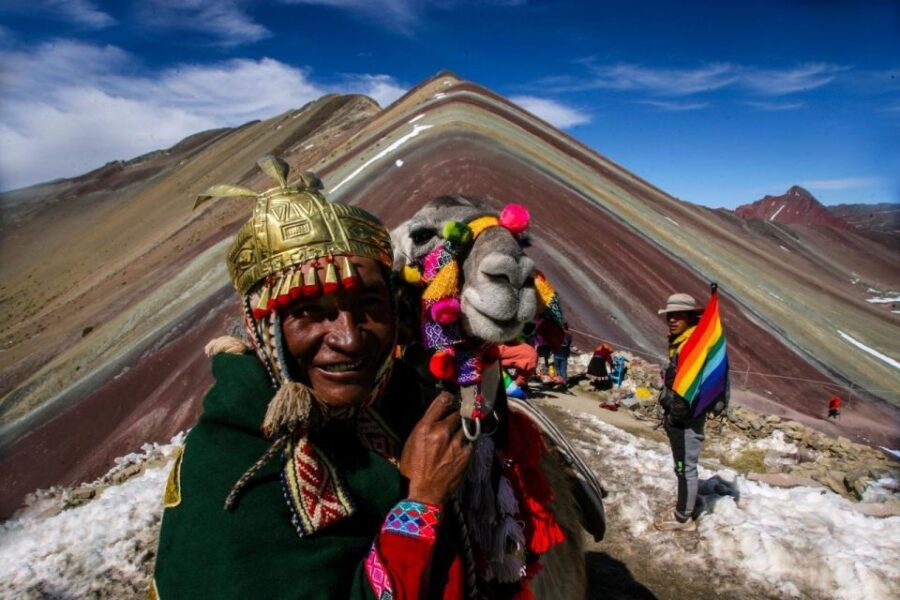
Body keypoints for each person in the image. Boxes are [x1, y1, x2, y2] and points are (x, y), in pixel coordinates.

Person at [151, 158, 562, 599]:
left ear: (396, 310)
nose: (348, 338)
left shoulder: (391, 398)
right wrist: (421, 503)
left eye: (368, 305)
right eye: (310, 312)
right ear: (265, 328)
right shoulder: (232, 470)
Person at [654, 293, 706, 533]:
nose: (672, 320)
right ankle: (683, 509)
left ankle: (683, 517)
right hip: (682, 417)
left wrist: (674, 416)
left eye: (678, 316)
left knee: (686, 467)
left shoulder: (690, 347)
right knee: (683, 466)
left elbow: (687, 389)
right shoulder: (682, 342)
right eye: (670, 316)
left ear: (690, 318)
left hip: (686, 420)